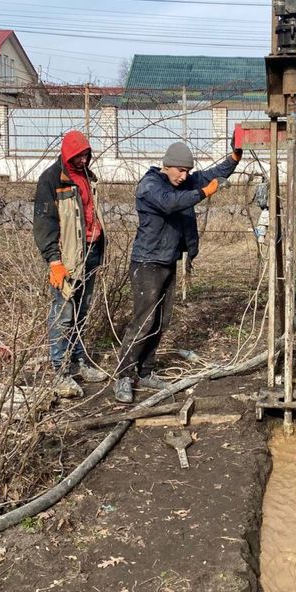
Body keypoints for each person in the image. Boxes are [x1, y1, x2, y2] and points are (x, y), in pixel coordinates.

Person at [113, 138, 242, 404]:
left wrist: (234, 159)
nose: (184, 176)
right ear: (167, 166)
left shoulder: (181, 181)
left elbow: (209, 176)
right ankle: (124, 376)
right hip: (147, 263)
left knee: (161, 321)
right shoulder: (150, 186)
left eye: (186, 171)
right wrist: (205, 192)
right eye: (179, 171)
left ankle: (145, 371)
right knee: (143, 321)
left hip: (168, 259)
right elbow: (171, 203)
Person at [33, 129, 109, 399]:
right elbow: (44, 224)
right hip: (67, 258)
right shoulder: (52, 180)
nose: (83, 161)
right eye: (78, 156)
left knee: (82, 311)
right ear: (67, 155)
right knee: (63, 314)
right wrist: (54, 261)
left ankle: (79, 362)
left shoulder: (88, 177)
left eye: (86, 155)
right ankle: (59, 372)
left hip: (91, 251)